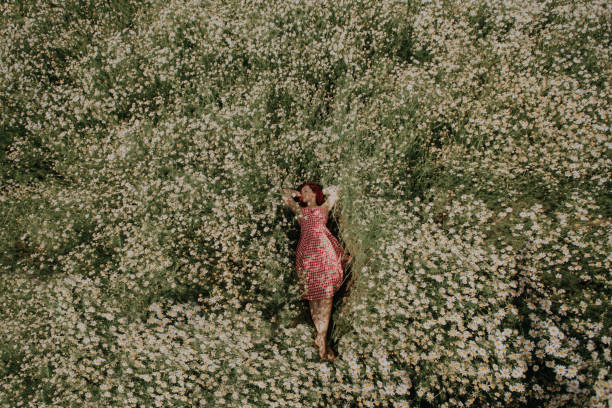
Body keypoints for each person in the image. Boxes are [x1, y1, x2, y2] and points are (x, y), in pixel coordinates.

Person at [281, 182, 351, 361]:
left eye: (306, 191)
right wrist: (295, 193)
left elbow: (337, 191)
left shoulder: (324, 207)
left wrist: (324, 192)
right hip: (307, 252)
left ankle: (322, 338)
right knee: (313, 293)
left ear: (314, 193)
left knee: (326, 291)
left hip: (323, 248)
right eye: (302, 192)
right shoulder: (299, 209)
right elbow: (283, 194)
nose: (303, 194)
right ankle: (322, 342)